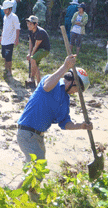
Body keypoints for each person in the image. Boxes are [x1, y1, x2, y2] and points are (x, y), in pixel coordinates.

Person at [16, 54, 92, 196]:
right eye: (78, 89)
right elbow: (46, 86)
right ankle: (12, 202)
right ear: (72, 82)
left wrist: (81, 126)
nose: (76, 92)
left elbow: (65, 123)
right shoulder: (52, 81)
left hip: (38, 137)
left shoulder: (66, 99)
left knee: (39, 168)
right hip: (27, 132)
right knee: (36, 171)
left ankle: (32, 195)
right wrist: (65, 66)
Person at [26, 15, 50, 85]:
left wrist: (32, 55)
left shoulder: (40, 32)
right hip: (37, 49)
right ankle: (38, 82)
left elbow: (36, 45)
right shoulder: (30, 31)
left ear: (35, 24)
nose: (28, 25)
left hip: (44, 49)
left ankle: (33, 78)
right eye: (28, 23)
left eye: (30, 24)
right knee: (35, 64)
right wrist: (29, 53)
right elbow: (30, 42)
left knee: (33, 60)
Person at [0, 0, 20, 77]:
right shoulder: (5, 17)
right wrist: (1, 36)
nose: (4, 11)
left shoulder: (14, 17)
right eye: (4, 9)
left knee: (8, 56)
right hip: (4, 39)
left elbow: (18, 28)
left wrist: (17, 39)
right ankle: (6, 68)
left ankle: (10, 71)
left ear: (10, 9)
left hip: (10, 40)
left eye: (6, 9)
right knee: (4, 55)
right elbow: (4, 27)